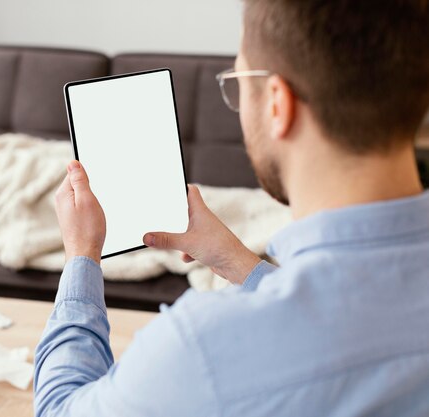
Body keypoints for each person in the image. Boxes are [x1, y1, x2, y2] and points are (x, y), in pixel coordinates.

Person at [34, 0, 429, 415]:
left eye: (238, 81)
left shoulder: (201, 348)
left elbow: (59, 409)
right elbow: (348, 313)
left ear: (278, 103)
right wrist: (237, 261)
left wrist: (81, 256)